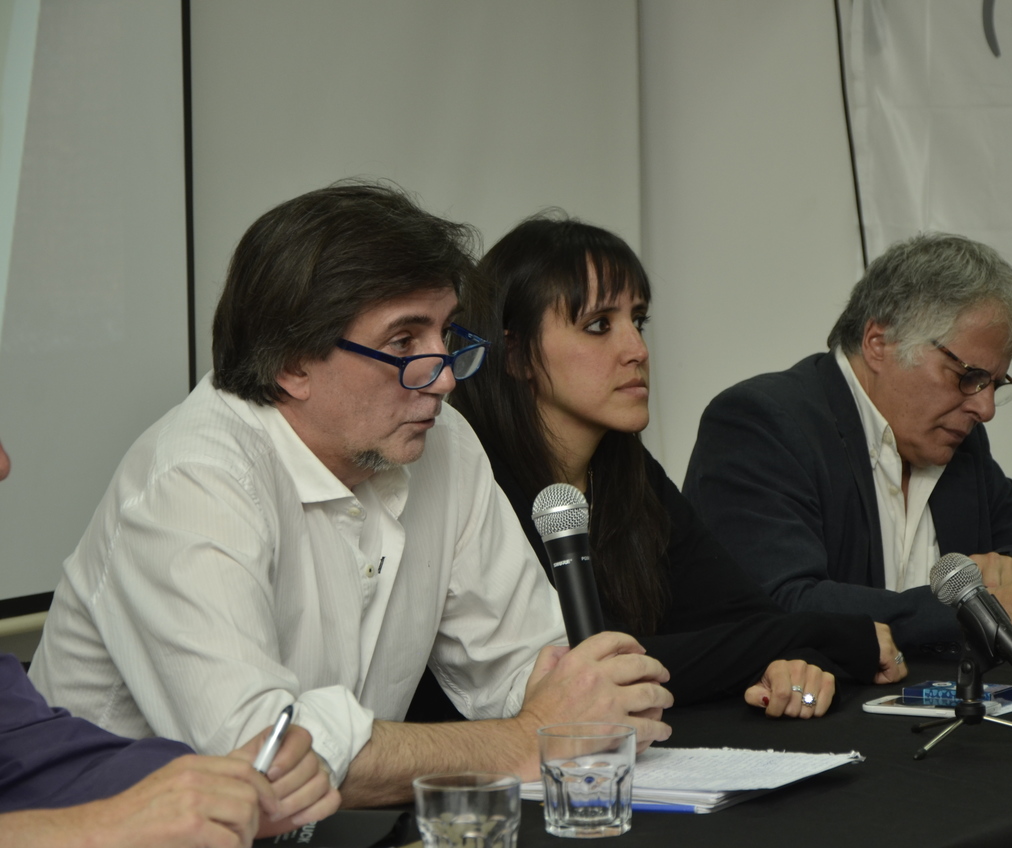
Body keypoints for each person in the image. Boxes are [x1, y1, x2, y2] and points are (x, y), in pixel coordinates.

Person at [28, 182, 672, 809]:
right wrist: (523, 739)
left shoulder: (442, 441)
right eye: (404, 342)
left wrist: (586, 697)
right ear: (292, 363)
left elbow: (523, 664)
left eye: (446, 334)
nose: (444, 379)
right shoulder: (192, 480)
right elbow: (265, 755)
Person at [444, 213, 907, 722]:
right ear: (514, 354)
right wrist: (818, 634)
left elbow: (746, 620)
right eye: (599, 326)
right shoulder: (472, 480)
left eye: (637, 321)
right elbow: (591, 671)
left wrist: (794, 661)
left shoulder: (627, 472)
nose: (637, 350)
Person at [683, 233, 1012, 650]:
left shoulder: (959, 446)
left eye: (994, 385)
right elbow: (781, 606)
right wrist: (983, 613)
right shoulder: (762, 423)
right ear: (879, 343)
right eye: (969, 376)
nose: (985, 409)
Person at [0, 438, 340, 847]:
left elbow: (38, 758)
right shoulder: (190, 474)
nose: (4, 465)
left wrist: (209, 786)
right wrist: (96, 826)